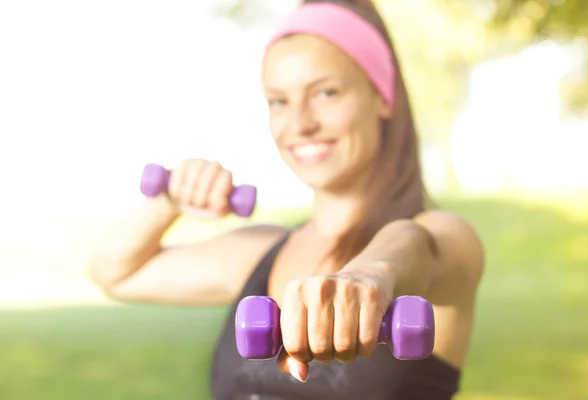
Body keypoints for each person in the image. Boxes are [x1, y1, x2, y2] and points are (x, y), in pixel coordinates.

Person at [89, 0, 485, 398]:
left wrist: (370, 276)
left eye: (326, 93)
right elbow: (116, 272)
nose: (300, 124)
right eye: (279, 101)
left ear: (381, 97)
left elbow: (414, 245)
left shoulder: (445, 237)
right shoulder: (263, 251)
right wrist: (170, 202)